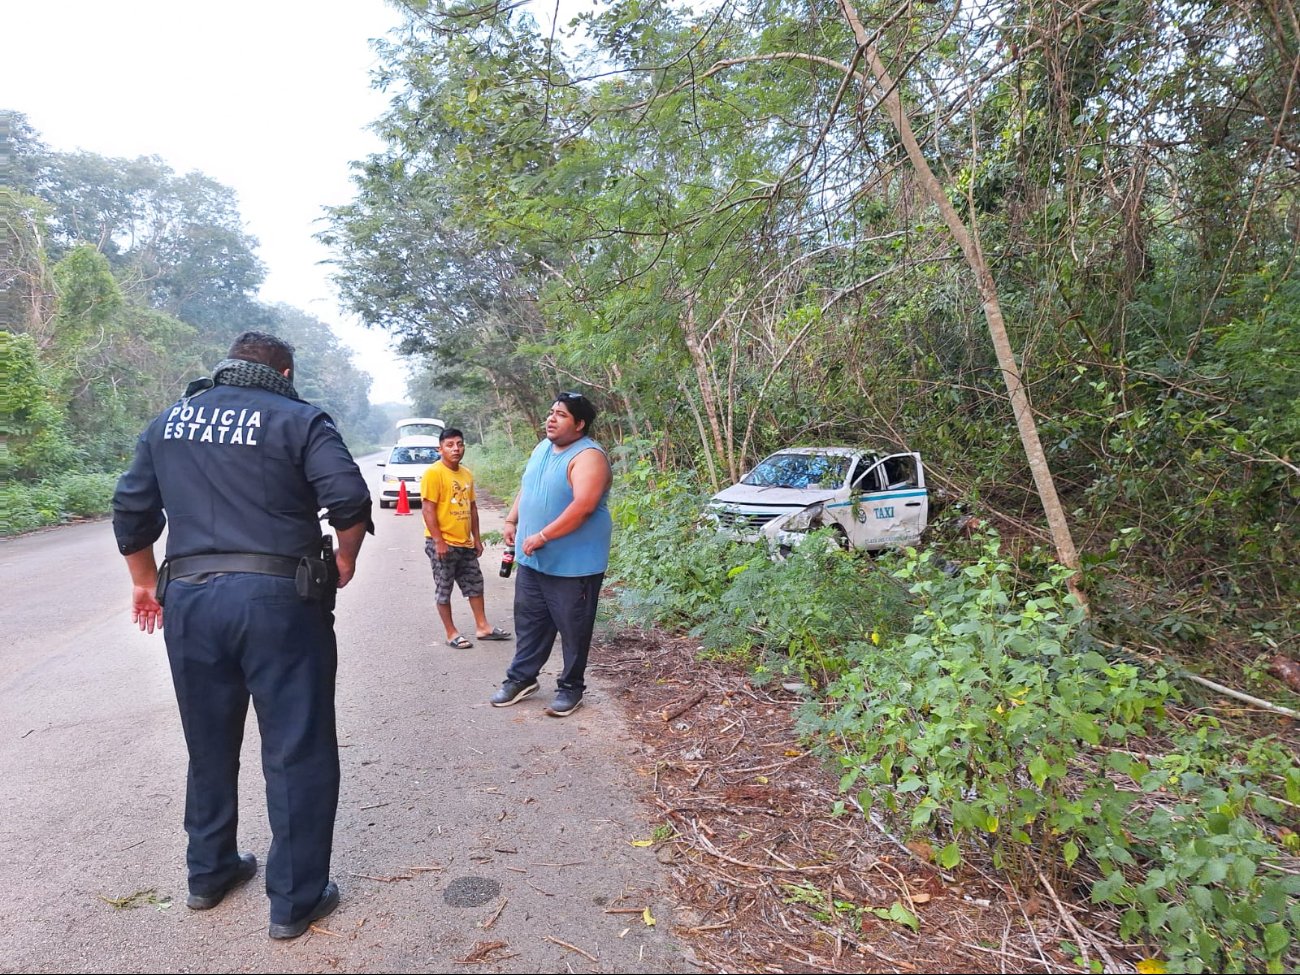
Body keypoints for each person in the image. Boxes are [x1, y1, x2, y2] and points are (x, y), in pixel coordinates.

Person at [111, 330, 372, 940]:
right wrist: (347, 558)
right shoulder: (299, 419)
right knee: (296, 747)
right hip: (280, 602)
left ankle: (209, 871)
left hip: (192, 602)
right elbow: (350, 500)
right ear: (282, 371)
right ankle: (295, 900)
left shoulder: (168, 423)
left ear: (226, 366)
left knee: (208, 743)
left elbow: (130, 512)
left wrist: (145, 583)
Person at [490, 391, 613, 717]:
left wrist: (544, 535)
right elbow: (527, 486)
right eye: (551, 412)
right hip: (534, 560)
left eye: (561, 414)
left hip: (574, 566)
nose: (551, 418)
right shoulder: (543, 447)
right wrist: (512, 518)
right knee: (529, 623)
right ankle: (522, 678)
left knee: (573, 629)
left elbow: (584, 506)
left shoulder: (588, 457)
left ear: (580, 424)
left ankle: (571, 688)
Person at [420, 426, 511, 648]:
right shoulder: (434, 473)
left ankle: (483, 627)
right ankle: (451, 633)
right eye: (450, 445)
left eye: (459, 444)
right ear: (440, 448)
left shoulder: (466, 473)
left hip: (465, 543)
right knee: (444, 588)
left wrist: (476, 539)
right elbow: (427, 509)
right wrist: (439, 541)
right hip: (442, 543)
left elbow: (472, 509)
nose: (456, 449)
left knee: (475, 584)